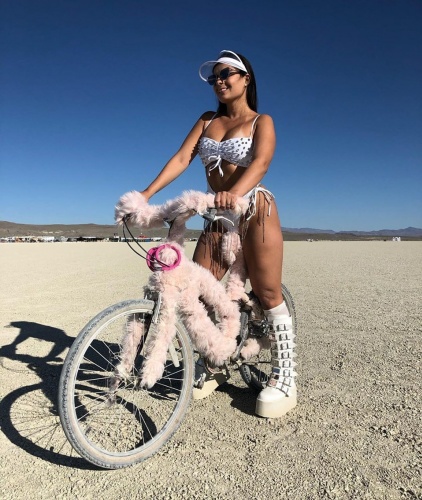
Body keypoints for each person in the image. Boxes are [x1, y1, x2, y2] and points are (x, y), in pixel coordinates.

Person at [138, 50, 296, 418]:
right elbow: (182, 158)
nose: (219, 81)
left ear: (246, 79)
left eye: (227, 74)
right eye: (214, 77)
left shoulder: (261, 121)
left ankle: (286, 374)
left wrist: (235, 193)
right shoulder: (207, 120)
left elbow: (261, 162)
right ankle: (215, 362)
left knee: (268, 292)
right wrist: (146, 195)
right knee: (197, 290)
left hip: (252, 208)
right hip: (215, 213)